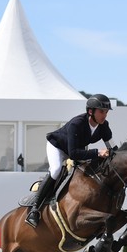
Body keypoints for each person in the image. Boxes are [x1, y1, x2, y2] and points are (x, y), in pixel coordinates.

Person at [25, 94, 113, 228]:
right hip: (58, 147)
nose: (105, 115)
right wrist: (97, 152)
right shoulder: (76, 124)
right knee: (56, 170)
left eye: (106, 112)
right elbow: (73, 154)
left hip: (77, 149)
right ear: (90, 111)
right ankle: (34, 210)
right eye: (102, 111)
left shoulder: (103, 126)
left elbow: (112, 148)